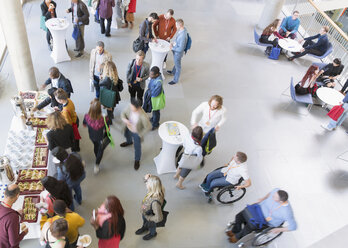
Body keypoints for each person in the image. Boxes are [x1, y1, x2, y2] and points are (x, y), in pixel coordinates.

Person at [227, 189, 297, 243]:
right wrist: (262, 199)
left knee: (249, 226)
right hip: (258, 209)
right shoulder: (276, 191)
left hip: (265, 220)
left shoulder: (286, 212)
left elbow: (293, 227)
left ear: (280, 202)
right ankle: (235, 230)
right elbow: (270, 193)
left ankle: (237, 237)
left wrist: (278, 229)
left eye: (274, 197)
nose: (272, 197)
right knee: (239, 215)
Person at [120, 98, 151, 170]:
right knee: (126, 135)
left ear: (138, 108)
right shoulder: (130, 106)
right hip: (128, 127)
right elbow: (123, 113)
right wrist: (125, 120)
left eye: (132, 107)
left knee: (137, 147)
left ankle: (137, 160)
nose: (130, 107)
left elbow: (148, 127)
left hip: (137, 132)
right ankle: (129, 142)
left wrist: (140, 134)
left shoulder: (143, 116)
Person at [83, 99, 111, 174]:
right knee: (100, 150)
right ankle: (96, 165)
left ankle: (96, 155)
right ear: (100, 109)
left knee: (95, 146)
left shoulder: (86, 116)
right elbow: (107, 128)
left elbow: (84, 125)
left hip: (91, 136)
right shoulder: (104, 118)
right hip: (101, 137)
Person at [135, 174, 165, 240]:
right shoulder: (155, 190)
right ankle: (145, 227)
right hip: (146, 211)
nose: (146, 184)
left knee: (151, 225)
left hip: (150, 216)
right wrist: (147, 177)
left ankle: (153, 233)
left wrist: (148, 218)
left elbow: (159, 218)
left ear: (152, 186)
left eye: (147, 183)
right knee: (145, 222)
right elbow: (155, 181)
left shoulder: (155, 202)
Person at [167, 19, 188, 85]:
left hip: (178, 53)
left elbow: (181, 48)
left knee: (178, 66)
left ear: (180, 25)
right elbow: (178, 41)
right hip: (176, 49)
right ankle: (173, 72)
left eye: (176, 25)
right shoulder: (182, 30)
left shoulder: (183, 36)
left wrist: (172, 48)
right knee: (176, 63)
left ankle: (175, 80)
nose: (175, 26)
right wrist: (173, 43)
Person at [148, 66, 164, 130]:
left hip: (156, 99)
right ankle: (153, 119)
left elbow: (155, 93)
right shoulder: (154, 77)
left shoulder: (159, 83)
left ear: (157, 74)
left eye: (151, 74)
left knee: (156, 112)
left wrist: (149, 94)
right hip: (153, 97)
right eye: (150, 73)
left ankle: (155, 124)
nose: (150, 75)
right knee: (154, 110)